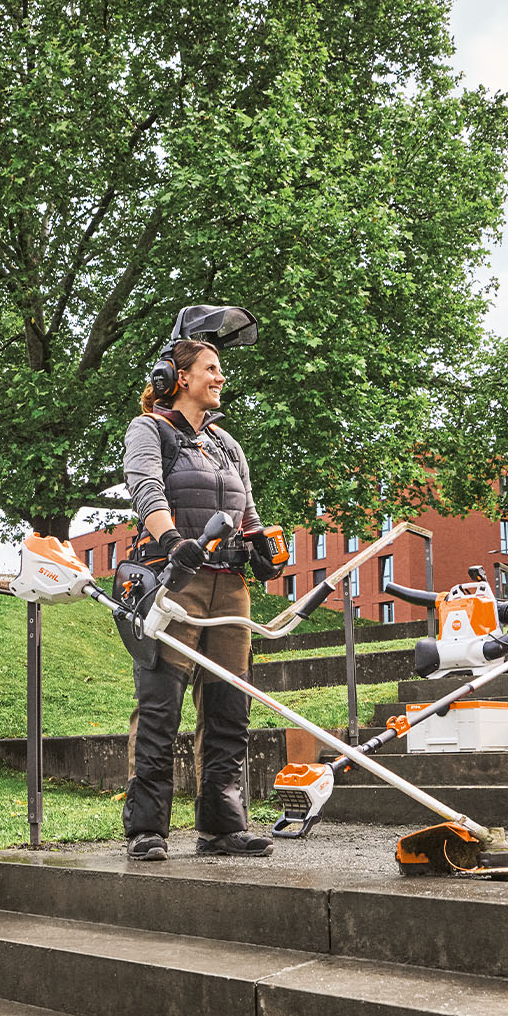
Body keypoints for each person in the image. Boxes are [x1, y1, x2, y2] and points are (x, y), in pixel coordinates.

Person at [121, 318, 284, 861]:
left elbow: (248, 510)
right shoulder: (151, 428)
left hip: (229, 588)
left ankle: (222, 826)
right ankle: (147, 829)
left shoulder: (226, 443)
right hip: (176, 581)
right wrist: (171, 539)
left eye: (219, 369)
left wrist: (262, 549)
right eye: (210, 369)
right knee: (161, 704)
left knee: (229, 706)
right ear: (179, 376)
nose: (220, 377)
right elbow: (145, 485)